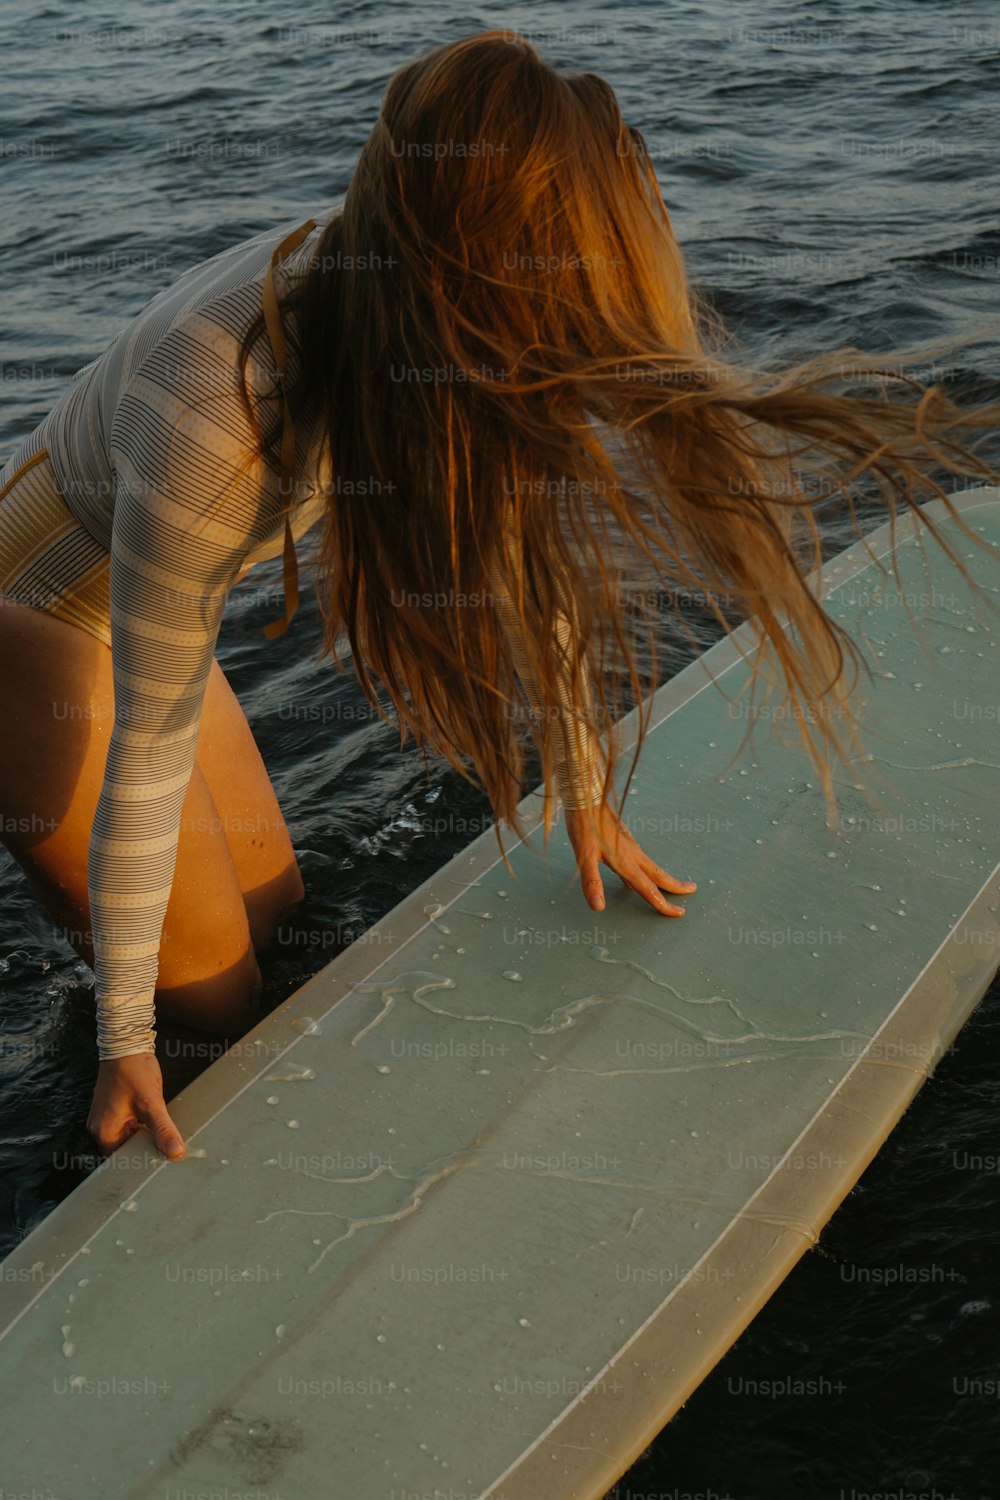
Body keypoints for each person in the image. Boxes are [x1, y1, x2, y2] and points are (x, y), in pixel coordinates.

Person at [1, 30, 998, 1165]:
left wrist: (582, 786)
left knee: (278, 918)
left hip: (126, 615)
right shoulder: (214, 412)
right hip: (28, 638)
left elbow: (522, 556)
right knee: (214, 1011)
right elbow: (146, 742)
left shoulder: (395, 312)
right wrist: (128, 1036)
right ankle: (97, 1153)